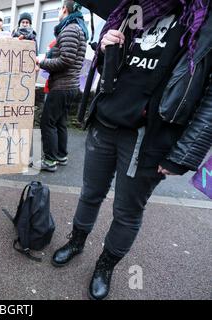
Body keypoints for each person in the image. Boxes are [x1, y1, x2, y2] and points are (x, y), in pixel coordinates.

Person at [52, 0, 212, 300]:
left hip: (151, 138)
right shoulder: (133, 8)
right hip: (106, 120)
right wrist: (106, 46)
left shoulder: (204, 20)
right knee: (89, 193)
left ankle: (105, 265)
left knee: (127, 211)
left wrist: (183, 154)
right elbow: (114, 69)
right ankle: (76, 242)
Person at [37, 0, 88, 172]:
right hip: (69, 85)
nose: (59, 11)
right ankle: (61, 154)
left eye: (60, 8)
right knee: (60, 122)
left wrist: (43, 62)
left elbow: (65, 60)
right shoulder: (77, 28)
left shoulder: (70, 28)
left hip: (62, 86)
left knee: (48, 123)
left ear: (64, 9)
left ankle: (50, 160)